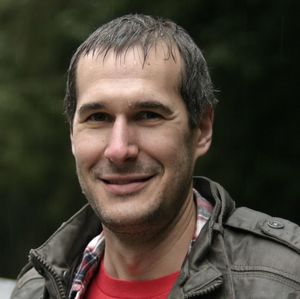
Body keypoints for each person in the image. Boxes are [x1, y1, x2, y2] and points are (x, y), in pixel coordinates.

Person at [11, 14, 300, 299]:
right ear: (73, 134)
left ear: (201, 129)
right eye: (98, 117)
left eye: (148, 115)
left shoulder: (286, 282)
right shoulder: (36, 290)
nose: (119, 149)